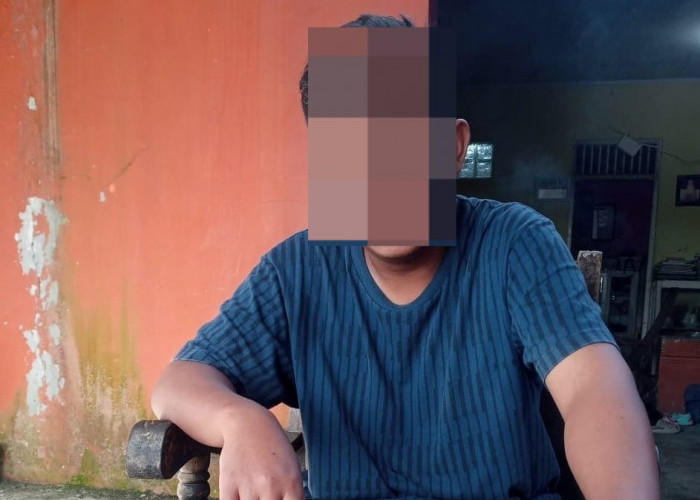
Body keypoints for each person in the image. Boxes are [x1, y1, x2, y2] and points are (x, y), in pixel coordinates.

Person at [152, 14, 660, 500]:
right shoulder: (295, 273)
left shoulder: (514, 244)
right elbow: (180, 381)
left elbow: (595, 392)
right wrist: (240, 419)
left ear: (454, 147)